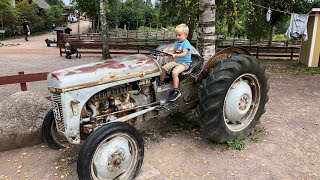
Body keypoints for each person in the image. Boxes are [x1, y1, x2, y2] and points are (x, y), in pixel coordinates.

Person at [159, 24, 192, 102]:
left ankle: (176, 90)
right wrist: (164, 53)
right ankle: (161, 83)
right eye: (176, 35)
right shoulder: (177, 43)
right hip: (176, 61)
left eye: (179, 35)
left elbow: (184, 54)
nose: (177, 37)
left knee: (174, 73)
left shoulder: (186, 44)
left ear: (186, 35)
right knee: (163, 68)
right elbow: (172, 52)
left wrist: (175, 55)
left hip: (184, 63)